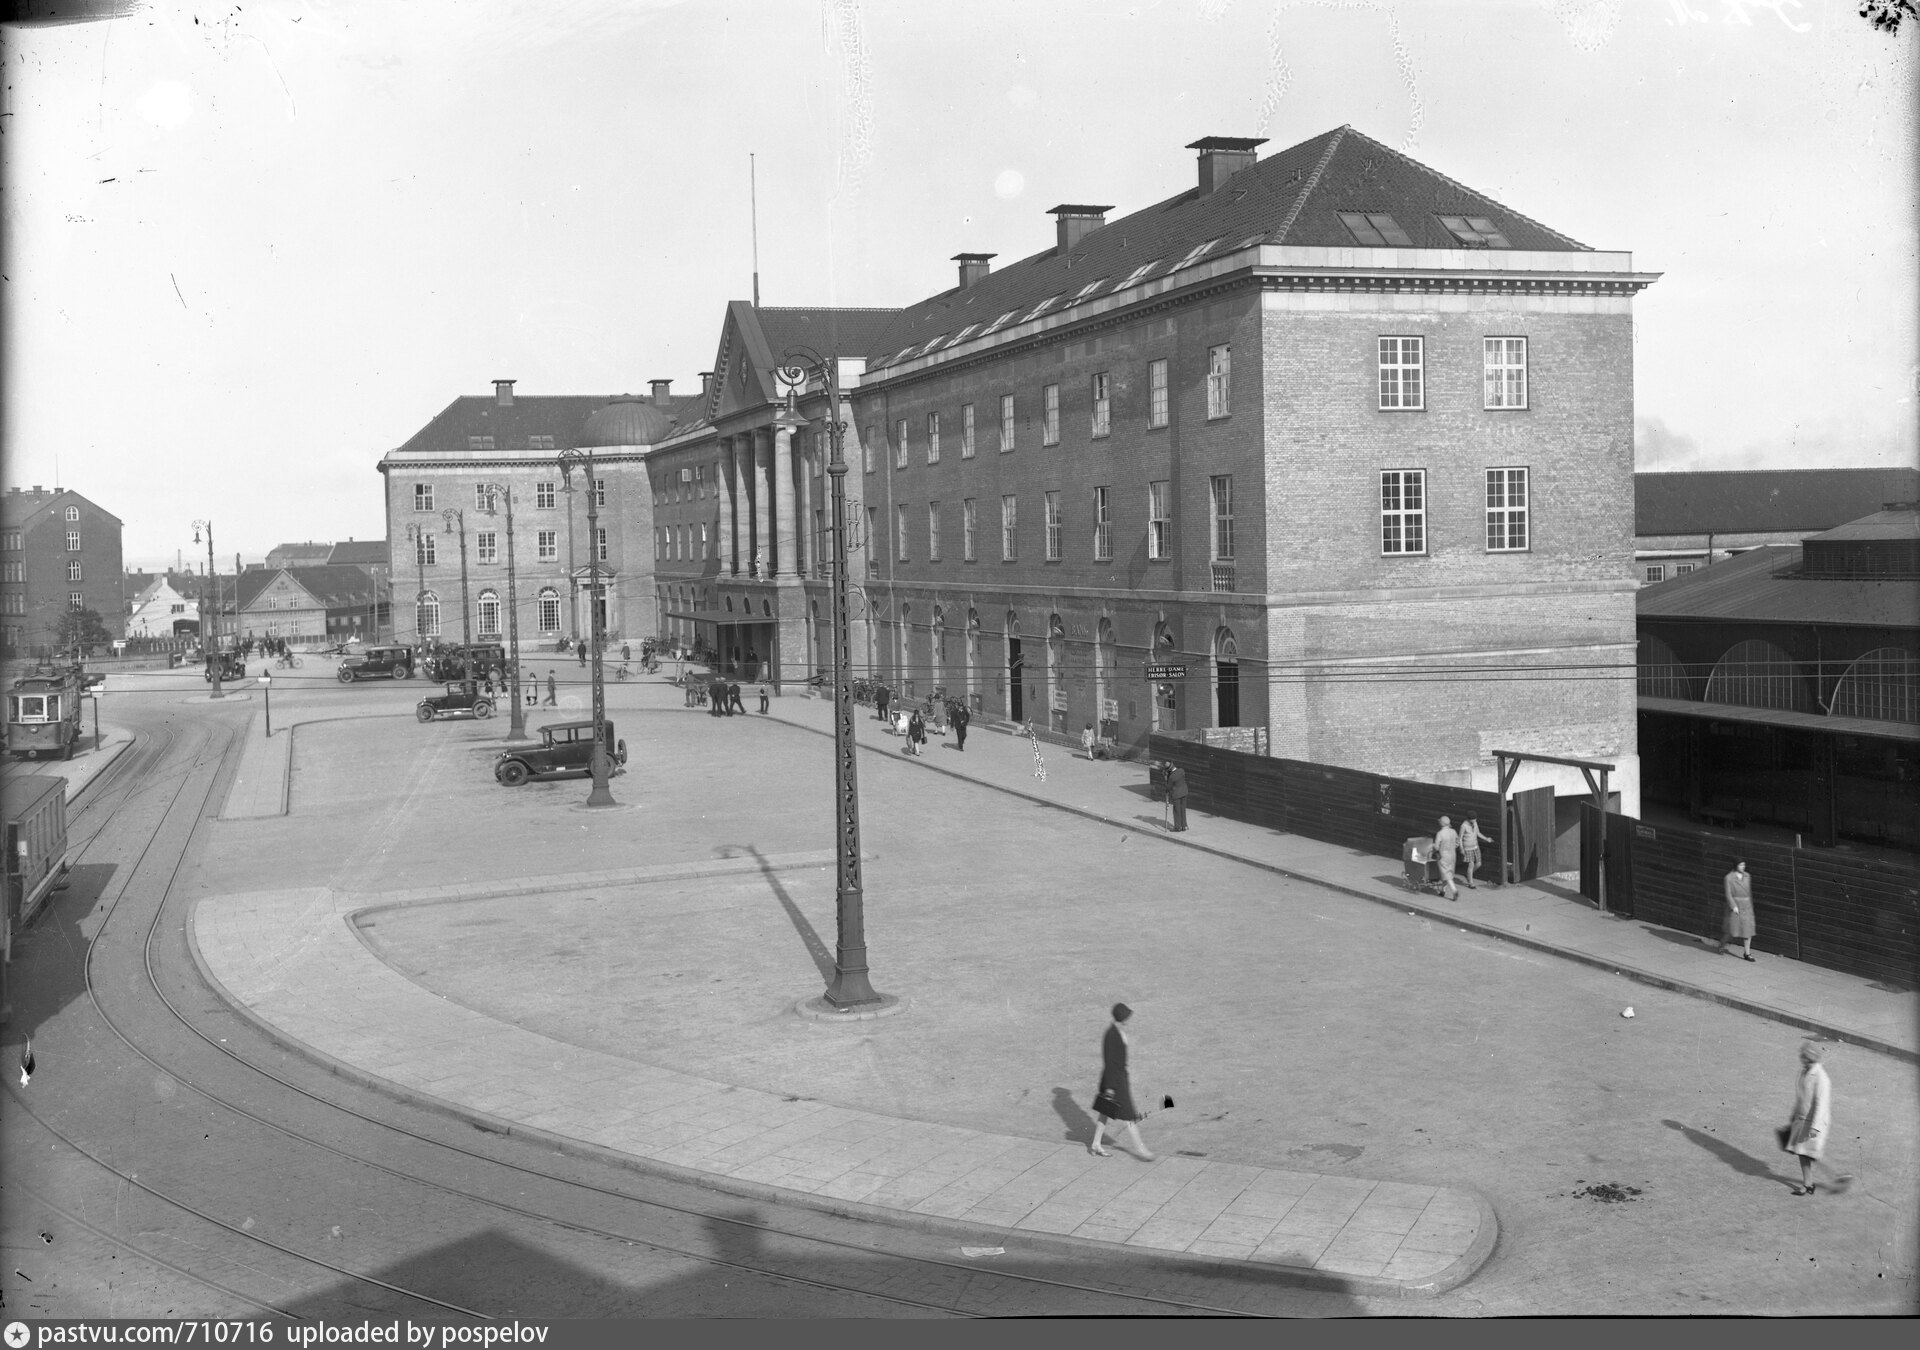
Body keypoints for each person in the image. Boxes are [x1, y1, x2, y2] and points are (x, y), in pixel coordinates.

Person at [1784, 1042, 1853, 1196]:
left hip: (1814, 1122)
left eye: (1803, 1057)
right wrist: (1794, 1114)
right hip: (1802, 1119)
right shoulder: (1803, 1072)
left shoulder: (1822, 1077)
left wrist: (1815, 1127)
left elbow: (1822, 1104)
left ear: (1810, 1057)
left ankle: (1840, 1175)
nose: (1801, 1059)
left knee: (1814, 1152)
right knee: (1802, 1152)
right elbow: (1801, 1097)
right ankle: (1808, 1184)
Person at [1089, 1003, 1155, 1160]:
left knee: (1106, 1111)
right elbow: (1110, 1062)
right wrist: (1110, 1088)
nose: (1128, 1018)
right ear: (1121, 1017)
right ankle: (1141, 1150)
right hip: (1115, 1083)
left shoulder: (1116, 1031)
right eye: (1126, 1016)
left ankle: (1096, 1144)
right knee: (1129, 1116)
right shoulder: (1111, 1035)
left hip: (1117, 1079)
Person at [1720, 859, 1757, 960]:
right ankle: (1722, 944)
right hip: (1736, 906)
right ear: (1736, 865)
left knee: (1747, 929)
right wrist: (1733, 906)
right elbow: (1728, 894)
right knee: (1731, 929)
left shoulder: (1747, 876)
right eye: (1741, 865)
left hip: (1747, 906)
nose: (1743, 867)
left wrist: (1751, 905)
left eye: (1744, 865)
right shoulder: (1728, 877)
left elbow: (1749, 892)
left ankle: (1747, 953)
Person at [1458, 813, 1490, 889]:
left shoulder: (1475, 823)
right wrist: (1461, 848)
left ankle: (1469, 874)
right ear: (1468, 819)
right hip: (1467, 848)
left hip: (1475, 846)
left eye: (1475, 819)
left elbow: (1478, 833)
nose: (1474, 821)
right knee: (1471, 864)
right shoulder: (1463, 826)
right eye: (1473, 820)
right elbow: (1460, 838)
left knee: (1478, 864)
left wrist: (1486, 839)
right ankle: (1470, 883)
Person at [1433, 816, 1461, 901]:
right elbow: (1458, 842)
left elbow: (1436, 847)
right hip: (1452, 854)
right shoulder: (1453, 831)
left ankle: (1454, 890)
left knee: (1446, 874)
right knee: (1447, 873)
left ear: (1441, 823)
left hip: (1443, 856)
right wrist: (1453, 846)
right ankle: (1442, 890)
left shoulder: (1440, 833)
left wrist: (1434, 848)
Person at [1167, 764, 1189, 832]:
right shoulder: (1182, 770)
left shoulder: (1171, 777)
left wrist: (1166, 778)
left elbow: (1168, 787)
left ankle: (1178, 827)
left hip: (1177, 795)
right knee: (1183, 809)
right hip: (1184, 792)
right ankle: (1184, 826)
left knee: (1177, 811)